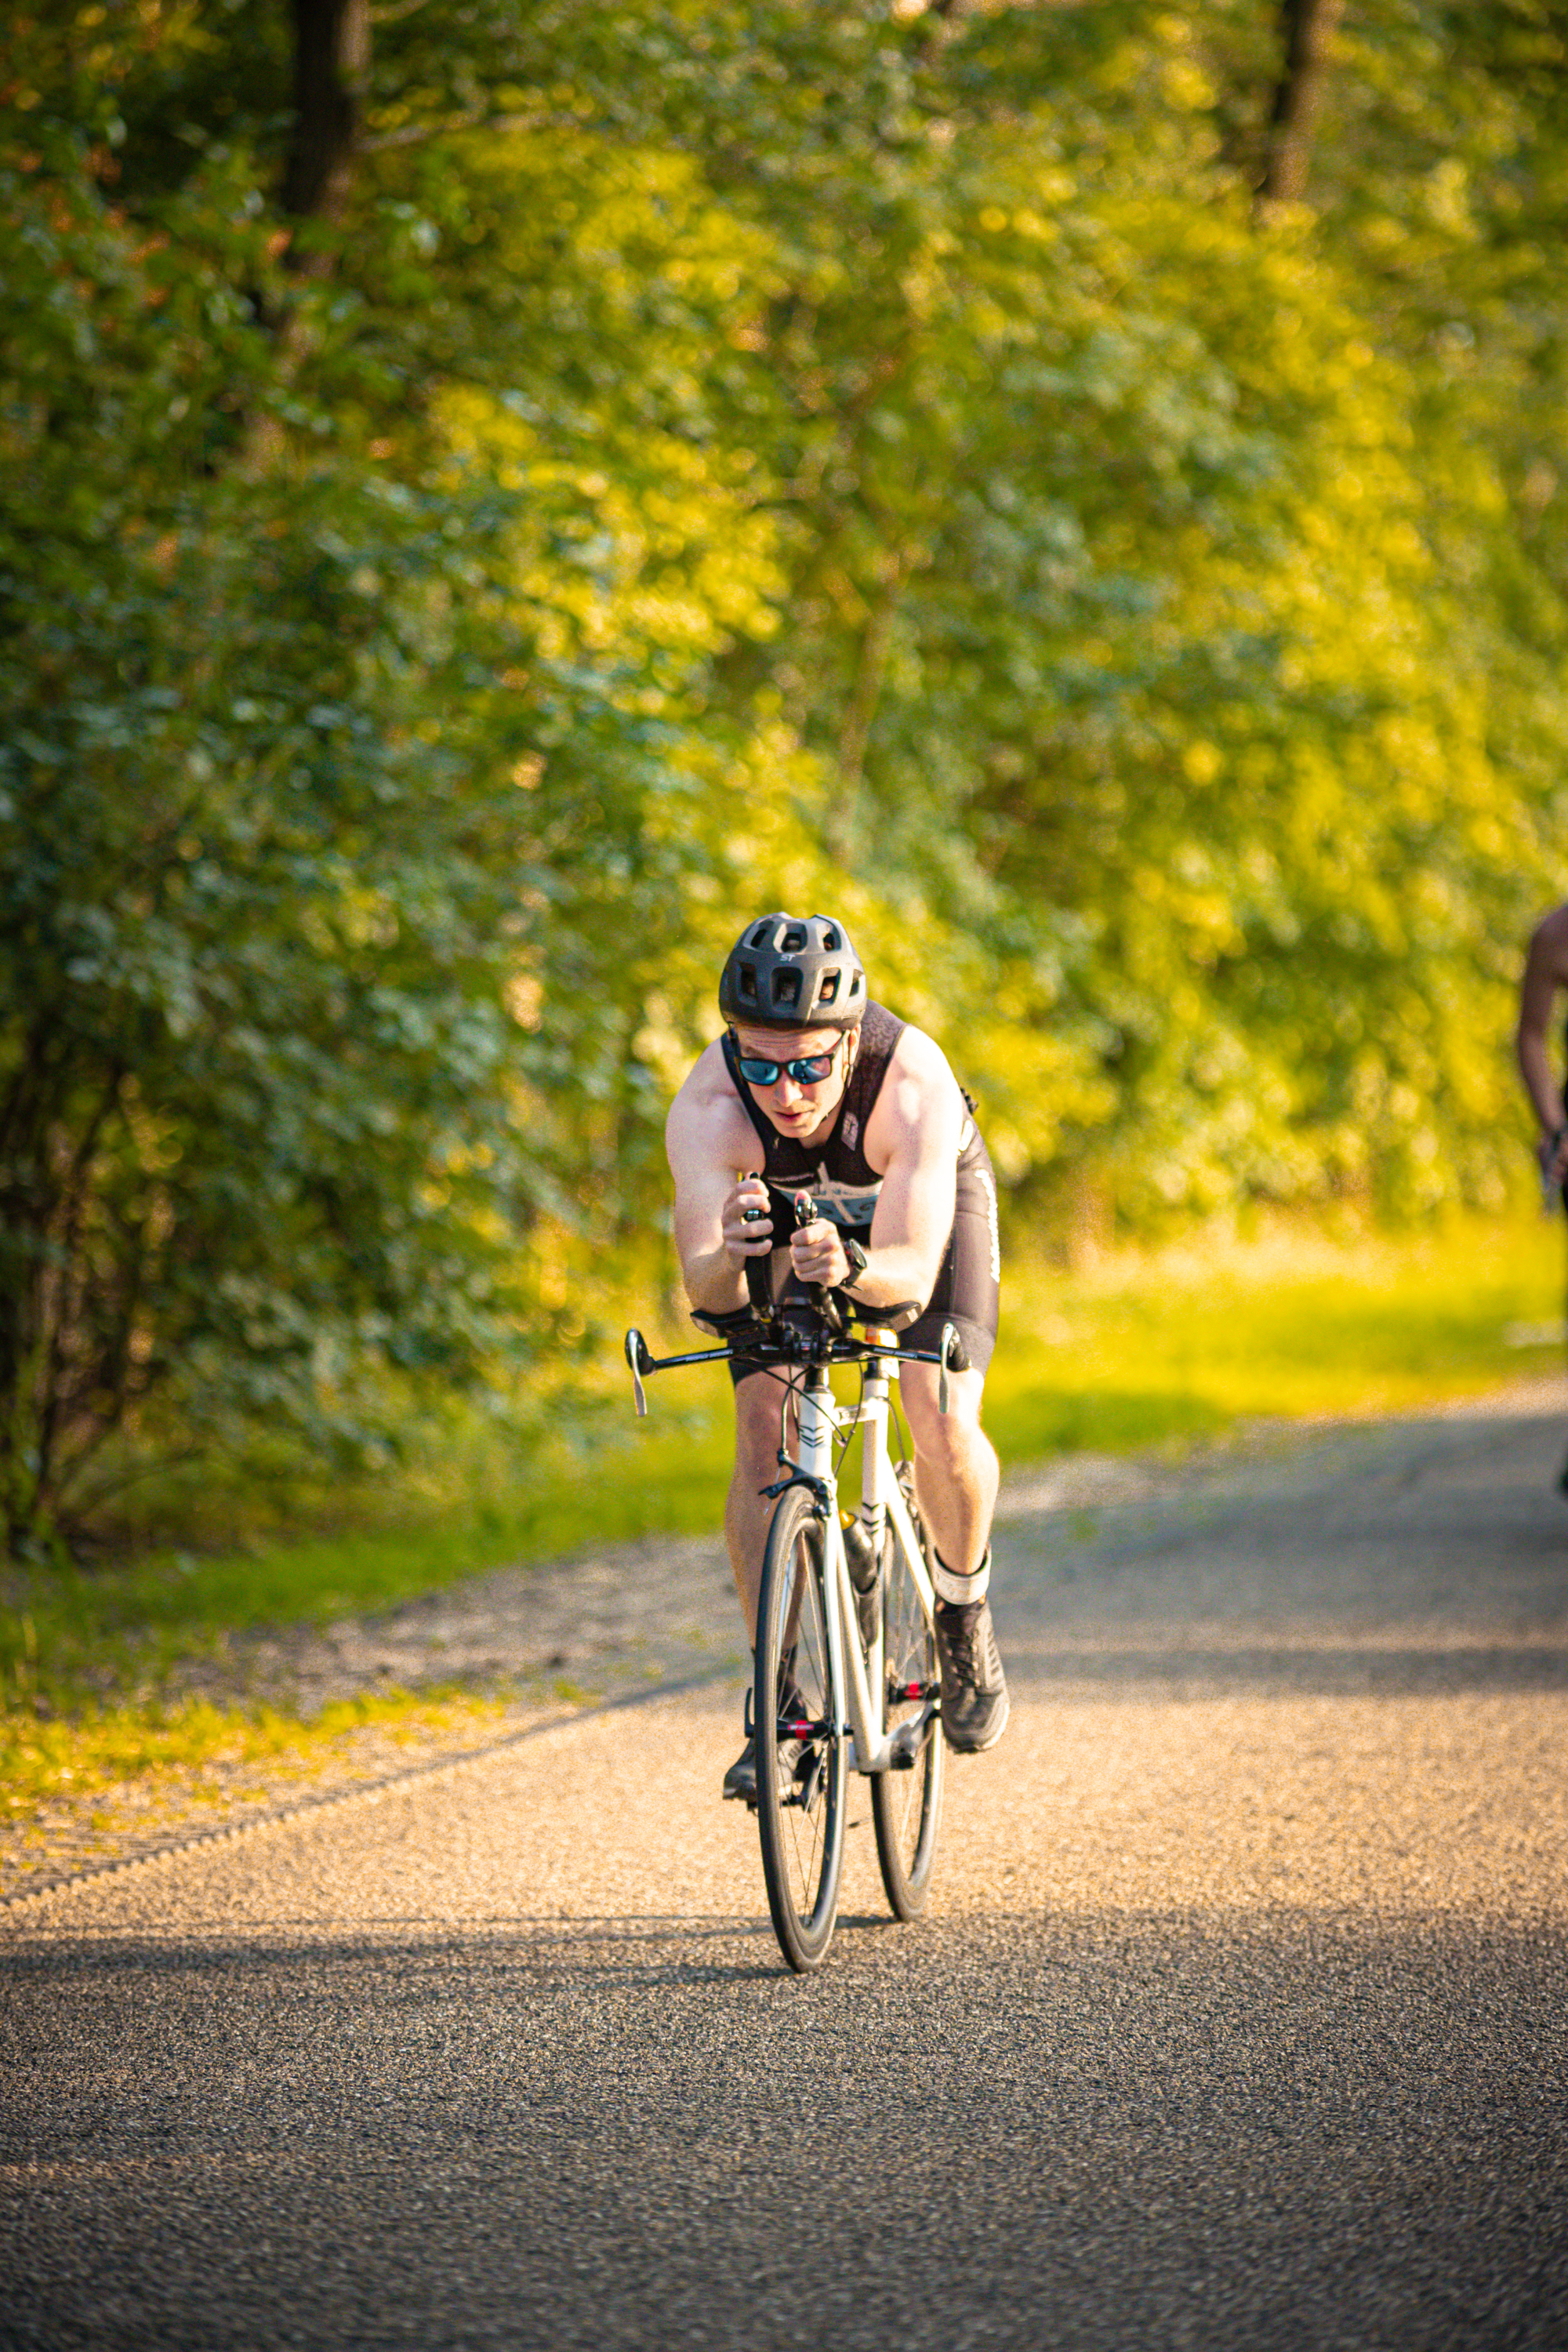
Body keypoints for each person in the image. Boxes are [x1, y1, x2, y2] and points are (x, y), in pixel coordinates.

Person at [665, 911, 1008, 1802]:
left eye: (810, 1064)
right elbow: (707, 1297)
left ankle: (961, 1610)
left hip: (906, 1231)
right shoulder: (707, 1107)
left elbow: (901, 1283)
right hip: (794, 1227)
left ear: (849, 1043)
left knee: (937, 1414)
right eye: (762, 1064)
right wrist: (726, 1257)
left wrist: (852, 1265)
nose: (785, 1092)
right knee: (758, 1422)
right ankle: (778, 1702)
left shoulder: (910, 1084)